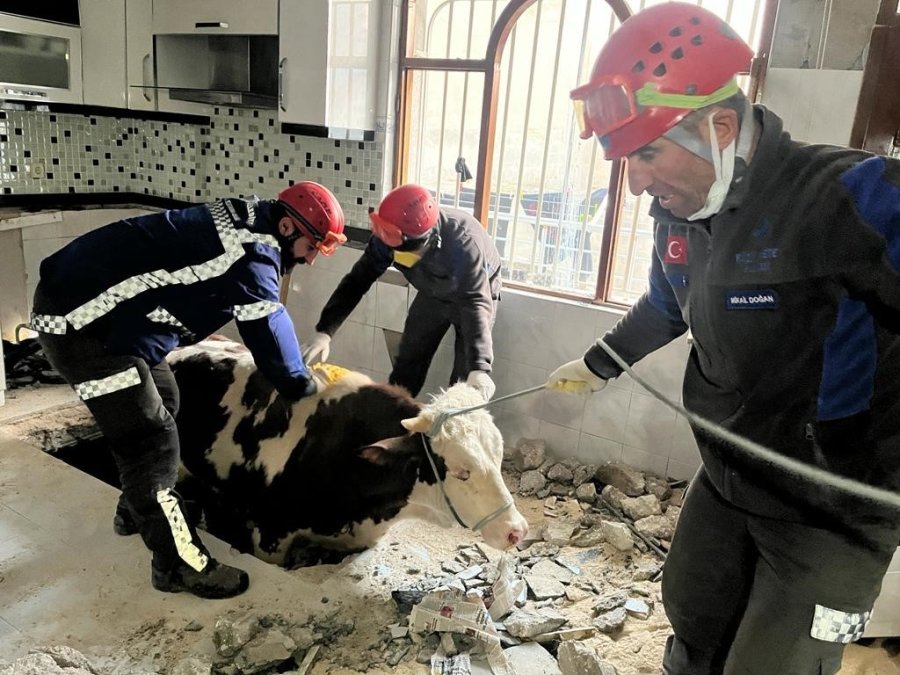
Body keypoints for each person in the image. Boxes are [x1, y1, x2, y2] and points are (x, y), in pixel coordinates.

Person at [546, 3, 900, 673]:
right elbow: (663, 304)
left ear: (721, 126)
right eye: (625, 159)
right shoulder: (678, 215)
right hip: (731, 476)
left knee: (777, 663)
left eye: (647, 153)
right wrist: (597, 363)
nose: (636, 182)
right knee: (692, 614)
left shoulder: (848, 198)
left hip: (836, 509)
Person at [31, 182, 347, 599]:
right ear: (288, 227)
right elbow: (270, 336)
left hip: (121, 322)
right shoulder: (252, 254)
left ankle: (138, 509)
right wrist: (305, 387)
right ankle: (179, 565)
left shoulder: (251, 222)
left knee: (168, 401)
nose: (308, 259)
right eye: (311, 247)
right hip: (82, 330)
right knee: (150, 441)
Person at [303, 183, 501, 400]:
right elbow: (357, 281)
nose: (397, 258)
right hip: (432, 293)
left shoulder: (462, 245)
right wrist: (325, 331)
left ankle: (452, 422)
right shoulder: (387, 236)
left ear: (429, 241)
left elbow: (475, 302)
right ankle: (390, 419)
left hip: (475, 292)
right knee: (408, 361)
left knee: (465, 382)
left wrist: (480, 366)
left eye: (405, 253)